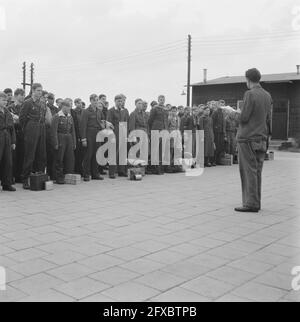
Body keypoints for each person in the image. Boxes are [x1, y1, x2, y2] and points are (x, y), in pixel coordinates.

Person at [235, 68, 272, 213]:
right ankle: (256, 202)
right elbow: (267, 118)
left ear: (247, 79)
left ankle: (250, 204)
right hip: (261, 137)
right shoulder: (267, 95)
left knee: (248, 171)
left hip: (248, 138)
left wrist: (234, 114)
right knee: (257, 171)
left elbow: (244, 118)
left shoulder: (250, 94)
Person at [20, 83, 47, 190]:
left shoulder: (42, 103)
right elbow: (22, 118)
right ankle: (25, 179)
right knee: (29, 155)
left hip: (41, 127)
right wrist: (27, 129)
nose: (40, 92)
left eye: (41, 90)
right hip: (32, 127)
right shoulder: (27, 102)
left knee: (41, 154)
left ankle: (40, 178)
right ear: (33, 91)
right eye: (38, 90)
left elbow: (44, 116)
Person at [80, 94, 106, 181]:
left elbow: (101, 122)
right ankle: (86, 174)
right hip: (89, 134)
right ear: (90, 101)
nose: (95, 102)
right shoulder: (86, 111)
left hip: (97, 134)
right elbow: (82, 126)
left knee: (96, 154)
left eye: (96, 100)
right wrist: (83, 139)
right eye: (94, 100)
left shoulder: (99, 111)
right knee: (88, 154)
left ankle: (95, 174)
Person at [51, 100, 76, 184]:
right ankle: (58, 177)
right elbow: (53, 131)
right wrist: (55, 143)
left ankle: (68, 175)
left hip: (68, 138)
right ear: (64, 107)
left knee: (69, 158)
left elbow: (73, 131)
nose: (69, 108)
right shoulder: (57, 116)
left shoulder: (70, 117)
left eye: (70, 107)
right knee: (59, 158)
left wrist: (74, 142)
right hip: (60, 137)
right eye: (68, 107)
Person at [107, 95, 130, 179]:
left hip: (123, 132)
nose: (120, 103)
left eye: (121, 101)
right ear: (115, 101)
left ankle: (122, 171)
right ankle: (112, 172)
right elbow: (108, 124)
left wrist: (127, 135)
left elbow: (126, 123)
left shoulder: (124, 111)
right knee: (114, 153)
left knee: (123, 153)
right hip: (114, 132)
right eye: (118, 101)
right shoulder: (111, 111)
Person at [7, 88, 25, 183]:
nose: (23, 97)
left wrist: (17, 119)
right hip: (13, 134)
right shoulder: (10, 107)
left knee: (22, 155)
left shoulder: (25, 107)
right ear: (16, 96)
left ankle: (19, 176)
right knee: (13, 156)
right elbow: (11, 122)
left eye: (23, 95)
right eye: (21, 95)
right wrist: (17, 120)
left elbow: (23, 121)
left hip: (23, 134)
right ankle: (12, 176)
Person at [0, 92, 16, 192]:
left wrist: (13, 141)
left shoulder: (7, 112)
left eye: (6, 100)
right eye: (3, 100)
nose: (5, 102)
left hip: (7, 137)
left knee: (8, 161)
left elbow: (12, 128)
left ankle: (6, 183)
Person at [148, 95, 168, 175]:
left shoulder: (166, 109)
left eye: (163, 99)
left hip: (163, 130)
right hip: (156, 130)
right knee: (155, 149)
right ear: (158, 100)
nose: (162, 100)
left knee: (161, 150)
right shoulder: (155, 108)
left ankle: (160, 168)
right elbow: (150, 120)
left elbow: (165, 120)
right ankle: (154, 168)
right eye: (160, 99)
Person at [71, 98, 84, 176]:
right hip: (76, 134)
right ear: (75, 104)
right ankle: (76, 169)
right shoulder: (73, 112)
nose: (80, 104)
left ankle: (80, 169)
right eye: (78, 103)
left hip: (82, 134)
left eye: (81, 103)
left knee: (82, 153)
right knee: (76, 153)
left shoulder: (84, 112)